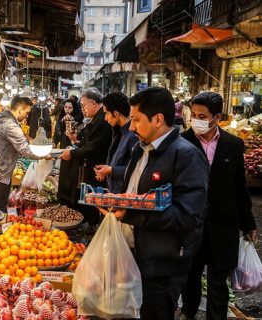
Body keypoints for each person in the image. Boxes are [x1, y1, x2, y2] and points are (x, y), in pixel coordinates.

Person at [107, 87, 210, 320]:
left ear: (158, 120)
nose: (131, 127)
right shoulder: (139, 149)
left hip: (163, 264)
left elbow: (187, 216)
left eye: (135, 120)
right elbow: (134, 193)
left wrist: (130, 214)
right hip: (133, 254)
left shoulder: (186, 156)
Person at [180, 92, 257, 320]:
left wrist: (248, 222)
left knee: (218, 281)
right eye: (193, 115)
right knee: (191, 277)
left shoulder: (233, 144)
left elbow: (239, 186)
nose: (196, 120)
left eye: (202, 115)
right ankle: (188, 312)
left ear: (217, 117)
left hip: (224, 224)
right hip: (192, 224)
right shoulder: (183, 142)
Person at [0, 95, 49, 212]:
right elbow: (25, 151)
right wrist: (44, 154)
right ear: (20, 110)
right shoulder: (11, 126)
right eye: (27, 112)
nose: (27, 116)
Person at [59, 88, 112, 226]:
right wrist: (76, 143)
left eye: (84, 105)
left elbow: (92, 147)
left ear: (93, 103)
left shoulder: (101, 121)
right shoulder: (96, 119)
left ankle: (93, 224)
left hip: (97, 169)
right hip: (91, 167)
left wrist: (72, 153)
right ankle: (91, 224)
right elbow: (87, 143)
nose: (82, 109)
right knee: (89, 198)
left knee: (93, 200)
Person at [94, 92, 138, 193]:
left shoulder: (132, 136)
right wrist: (107, 171)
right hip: (114, 191)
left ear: (116, 114)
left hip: (125, 195)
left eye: (106, 113)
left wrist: (111, 170)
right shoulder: (118, 131)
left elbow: (137, 169)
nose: (105, 118)